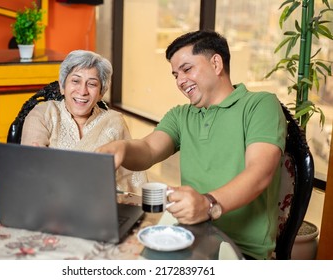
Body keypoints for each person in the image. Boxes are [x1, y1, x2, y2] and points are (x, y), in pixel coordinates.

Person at [96, 30, 287, 259]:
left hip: (242, 252)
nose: (180, 81)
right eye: (175, 75)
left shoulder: (260, 105)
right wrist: (122, 148)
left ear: (216, 63)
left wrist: (208, 204)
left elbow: (259, 173)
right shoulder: (180, 115)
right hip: (187, 239)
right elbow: (148, 150)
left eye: (187, 69)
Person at [21, 50, 147, 193]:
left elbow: (131, 180)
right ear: (62, 86)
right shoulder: (43, 114)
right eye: (75, 81)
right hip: (50, 199)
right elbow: (32, 167)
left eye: (92, 84)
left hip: (101, 203)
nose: (82, 91)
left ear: (101, 93)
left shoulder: (114, 121)